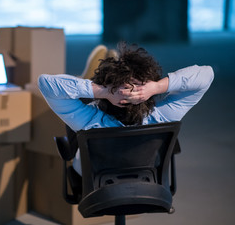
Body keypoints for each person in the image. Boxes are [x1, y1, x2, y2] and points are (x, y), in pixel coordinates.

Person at [38, 41, 214, 175]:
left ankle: (90, 84)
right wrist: (157, 87)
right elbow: (207, 74)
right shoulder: (162, 116)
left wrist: (105, 91)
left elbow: (46, 83)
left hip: (95, 176)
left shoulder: (90, 121)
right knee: (77, 111)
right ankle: (91, 83)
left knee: (75, 113)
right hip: (147, 177)